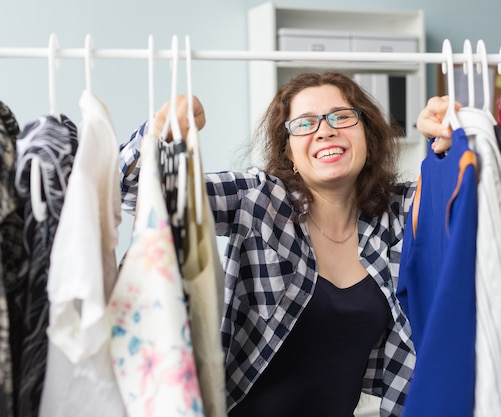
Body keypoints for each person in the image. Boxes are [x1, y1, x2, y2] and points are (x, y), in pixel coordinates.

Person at [118, 71, 455, 417]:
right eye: (305, 123)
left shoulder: (398, 214)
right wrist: (161, 133)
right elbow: (131, 192)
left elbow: (462, 197)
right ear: (288, 151)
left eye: (342, 117)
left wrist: (445, 140)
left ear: (367, 137)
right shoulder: (258, 199)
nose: (325, 130)